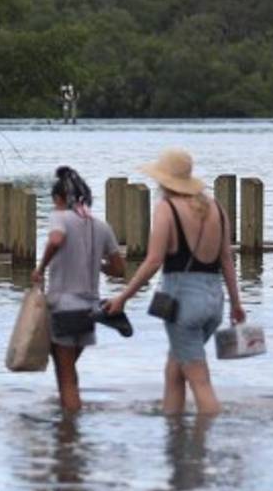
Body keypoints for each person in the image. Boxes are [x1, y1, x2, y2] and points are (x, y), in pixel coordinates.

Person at [104, 148, 246, 416]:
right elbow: (227, 259)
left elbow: (153, 261)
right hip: (214, 303)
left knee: (200, 380)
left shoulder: (166, 209)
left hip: (183, 305)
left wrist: (122, 298)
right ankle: (175, 430)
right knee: (174, 369)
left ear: (163, 181)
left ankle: (205, 443)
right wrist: (237, 305)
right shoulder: (216, 208)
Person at [31, 166, 127, 412]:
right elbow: (119, 269)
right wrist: (97, 264)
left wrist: (41, 269)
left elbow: (56, 239)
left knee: (66, 378)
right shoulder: (101, 226)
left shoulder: (59, 217)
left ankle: (68, 433)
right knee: (69, 371)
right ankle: (69, 426)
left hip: (63, 307)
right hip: (89, 311)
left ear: (59, 199)